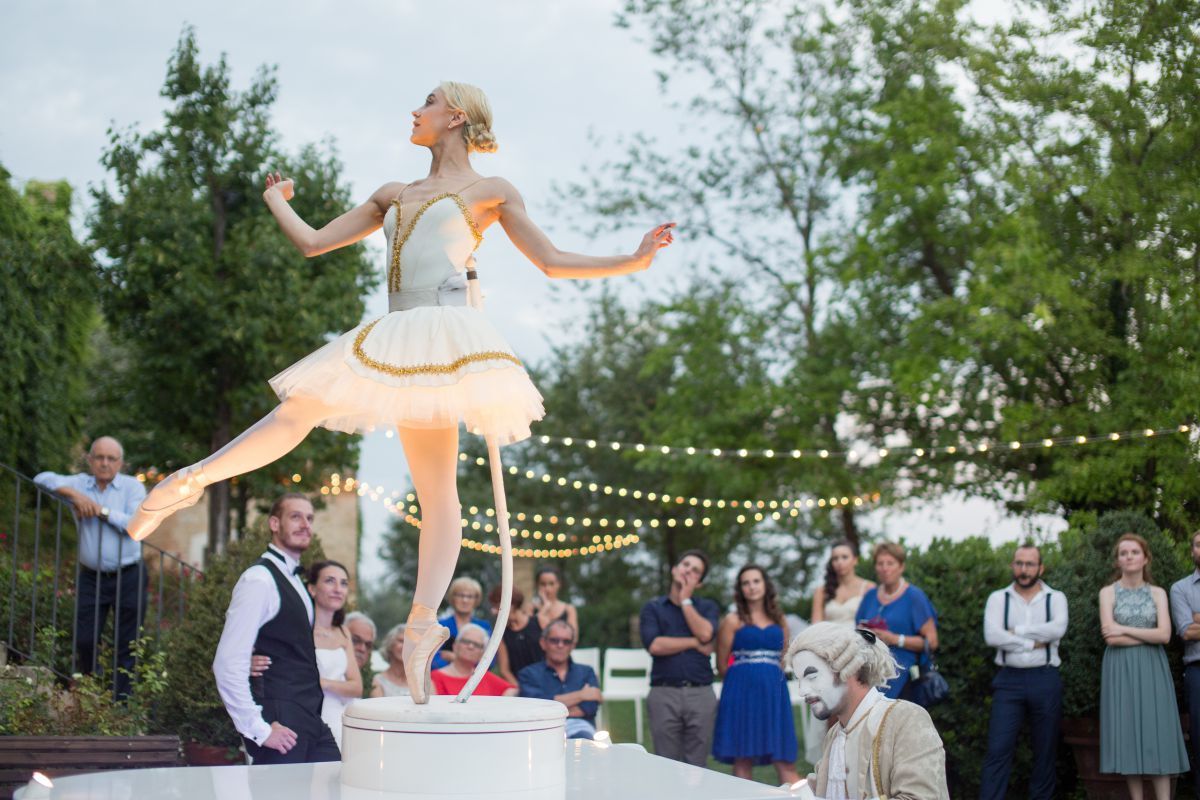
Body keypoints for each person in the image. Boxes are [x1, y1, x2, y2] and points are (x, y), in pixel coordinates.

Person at [123, 81, 675, 704]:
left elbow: (549, 260)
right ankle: (186, 480)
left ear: (455, 116)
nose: (415, 110)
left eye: (427, 102)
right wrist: (276, 199)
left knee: (440, 495)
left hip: (445, 335)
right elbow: (312, 242)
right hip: (392, 331)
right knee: (298, 408)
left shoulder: (492, 192)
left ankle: (420, 626)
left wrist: (633, 260)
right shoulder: (393, 194)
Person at [213, 493, 339, 764]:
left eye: (309, 518)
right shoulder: (259, 580)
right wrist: (258, 729)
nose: (305, 524)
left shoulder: (296, 581)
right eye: (295, 516)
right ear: (273, 523)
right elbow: (227, 662)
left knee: (335, 782)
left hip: (311, 718)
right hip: (281, 719)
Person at [34, 436, 147, 699]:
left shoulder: (133, 488)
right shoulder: (80, 484)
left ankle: (122, 704)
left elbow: (135, 526)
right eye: (99, 457)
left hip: (129, 575)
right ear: (89, 460)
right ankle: (91, 695)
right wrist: (73, 495)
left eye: (111, 459)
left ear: (121, 463)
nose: (104, 463)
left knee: (127, 644)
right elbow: (41, 478)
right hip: (91, 578)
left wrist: (100, 510)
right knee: (85, 639)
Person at [787, 622, 949, 800]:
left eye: (811, 676)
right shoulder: (835, 734)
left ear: (850, 669)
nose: (802, 690)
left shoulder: (906, 719)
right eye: (799, 679)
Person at [1100, 533, 1188, 799]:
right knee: (1127, 732)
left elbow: (1164, 635)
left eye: (1134, 552)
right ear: (1117, 561)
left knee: (1157, 732)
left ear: (1145, 558)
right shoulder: (1107, 593)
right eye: (1123, 553)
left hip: (1153, 668)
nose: (1129, 557)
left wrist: (1122, 628)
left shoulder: (1159, 593)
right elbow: (1109, 637)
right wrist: (1137, 633)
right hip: (1120, 669)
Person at [979, 544, 1069, 800]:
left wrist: (1015, 632)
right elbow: (992, 635)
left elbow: (1057, 630)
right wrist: (1031, 641)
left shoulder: (1056, 598)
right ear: (1012, 566)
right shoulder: (998, 598)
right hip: (1009, 680)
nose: (1024, 569)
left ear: (1040, 567)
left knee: (1045, 750)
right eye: (1019, 563)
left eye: (1030, 564)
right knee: (998, 749)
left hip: (1045, 677)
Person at [711, 565, 798, 784]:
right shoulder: (732, 620)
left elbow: (783, 657)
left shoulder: (780, 620)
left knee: (784, 758)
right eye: (746, 583)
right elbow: (721, 664)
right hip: (741, 691)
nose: (751, 587)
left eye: (756, 581)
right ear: (740, 589)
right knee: (743, 757)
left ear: (765, 584)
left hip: (774, 691)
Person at [639, 549, 720, 766]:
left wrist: (685, 601)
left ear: (699, 583)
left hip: (701, 693)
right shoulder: (653, 608)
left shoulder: (708, 607)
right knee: (665, 765)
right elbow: (655, 645)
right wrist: (694, 643)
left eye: (695, 571)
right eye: (685, 565)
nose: (688, 572)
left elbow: (705, 633)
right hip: (664, 693)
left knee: (697, 766)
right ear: (675, 569)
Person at [855, 541, 938, 699]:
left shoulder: (914, 597)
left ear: (901, 566)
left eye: (890, 563)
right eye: (880, 563)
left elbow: (932, 642)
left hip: (905, 677)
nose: (885, 568)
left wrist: (894, 639)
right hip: (872, 674)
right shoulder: (870, 597)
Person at [517, 620, 601, 739]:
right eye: (554, 640)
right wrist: (582, 695)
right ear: (543, 643)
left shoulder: (586, 672)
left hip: (581, 729)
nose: (560, 645)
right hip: (542, 730)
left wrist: (549, 707)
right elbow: (535, 706)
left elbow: (590, 707)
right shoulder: (528, 674)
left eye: (566, 641)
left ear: (572, 646)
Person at [1169, 529, 1200, 800]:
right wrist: (1192, 622)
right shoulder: (1180, 588)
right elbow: (1186, 631)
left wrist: (1198, 618)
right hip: (1197, 672)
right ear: (1192, 551)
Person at [431, 623, 517, 697]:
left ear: (482, 654)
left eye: (477, 645)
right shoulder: (434, 678)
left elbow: (512, 690)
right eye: (466, 641)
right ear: (455, 645)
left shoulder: (486, 678)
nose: (470, 646)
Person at [433, 576, 491, 669]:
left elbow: (489, 660)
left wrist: (455, 658)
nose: (465, 600)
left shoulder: (484, 627)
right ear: (453, 598)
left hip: (474, 678)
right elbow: (432, 658)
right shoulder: (440, 625)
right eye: (460, 595)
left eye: (470, 596)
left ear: (476, 600)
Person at [490, 583, 542, 686]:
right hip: (521, 686)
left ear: (510, 604)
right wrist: (522, 690)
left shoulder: (540, 621)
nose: (494, 612)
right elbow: (504, 671)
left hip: (545, 680)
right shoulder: (500, 634)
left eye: (497, 606)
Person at [811, 541, 874, 625]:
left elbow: (872, 621)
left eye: (844, 557)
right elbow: (816, 625)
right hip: (828, 637)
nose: (839, 562)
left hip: (859, 637)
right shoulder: (821, 591)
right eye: (835, 558)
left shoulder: (869, 587)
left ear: (855, 560)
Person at [534, 565, 579, 640]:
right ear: (537, 585)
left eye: (551, 584)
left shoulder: (568, 609)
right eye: (543, 584)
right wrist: (545, 608)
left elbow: (573, 638)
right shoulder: (531, 609)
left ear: (559, 584)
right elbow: (531, 633)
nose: (547, 588)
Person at [370, 624, 410, 697]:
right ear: (390, 645)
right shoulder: (378, 682)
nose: (405, 646)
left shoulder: (422, 683)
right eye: (401, 641)